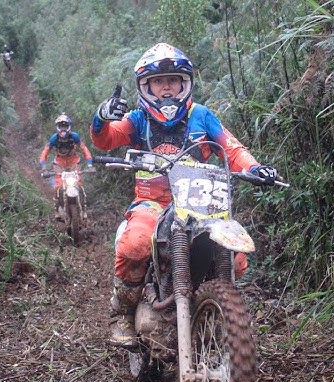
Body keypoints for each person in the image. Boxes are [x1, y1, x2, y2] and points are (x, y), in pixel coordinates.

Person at [89, 43, 278, 347]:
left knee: (237, 260)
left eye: (173, 80)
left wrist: (255, 168)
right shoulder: (137, 119)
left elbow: (231, 147)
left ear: (184, 83)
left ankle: (219, 311)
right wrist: (101, 118)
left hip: (200, 202)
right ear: (146, 85)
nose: (166, 88)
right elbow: (105, 140)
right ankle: (121, 313)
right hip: (152, 202)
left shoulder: (202, 115)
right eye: (159, 81)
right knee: (136, 243)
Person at [39, 113, 94, 221]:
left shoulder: (75, 137)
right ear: (57, 127)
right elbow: (44, 153)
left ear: (69, 126)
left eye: (65, 126)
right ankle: (57, 209)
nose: (63, 129)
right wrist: (44, 168)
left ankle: (83, 209)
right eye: (61, 126)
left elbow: (85, 150)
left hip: (73, 161)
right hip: (60, 163)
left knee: (78, 184)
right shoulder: (54, 138)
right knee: (58, 186)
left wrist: (90, 165)